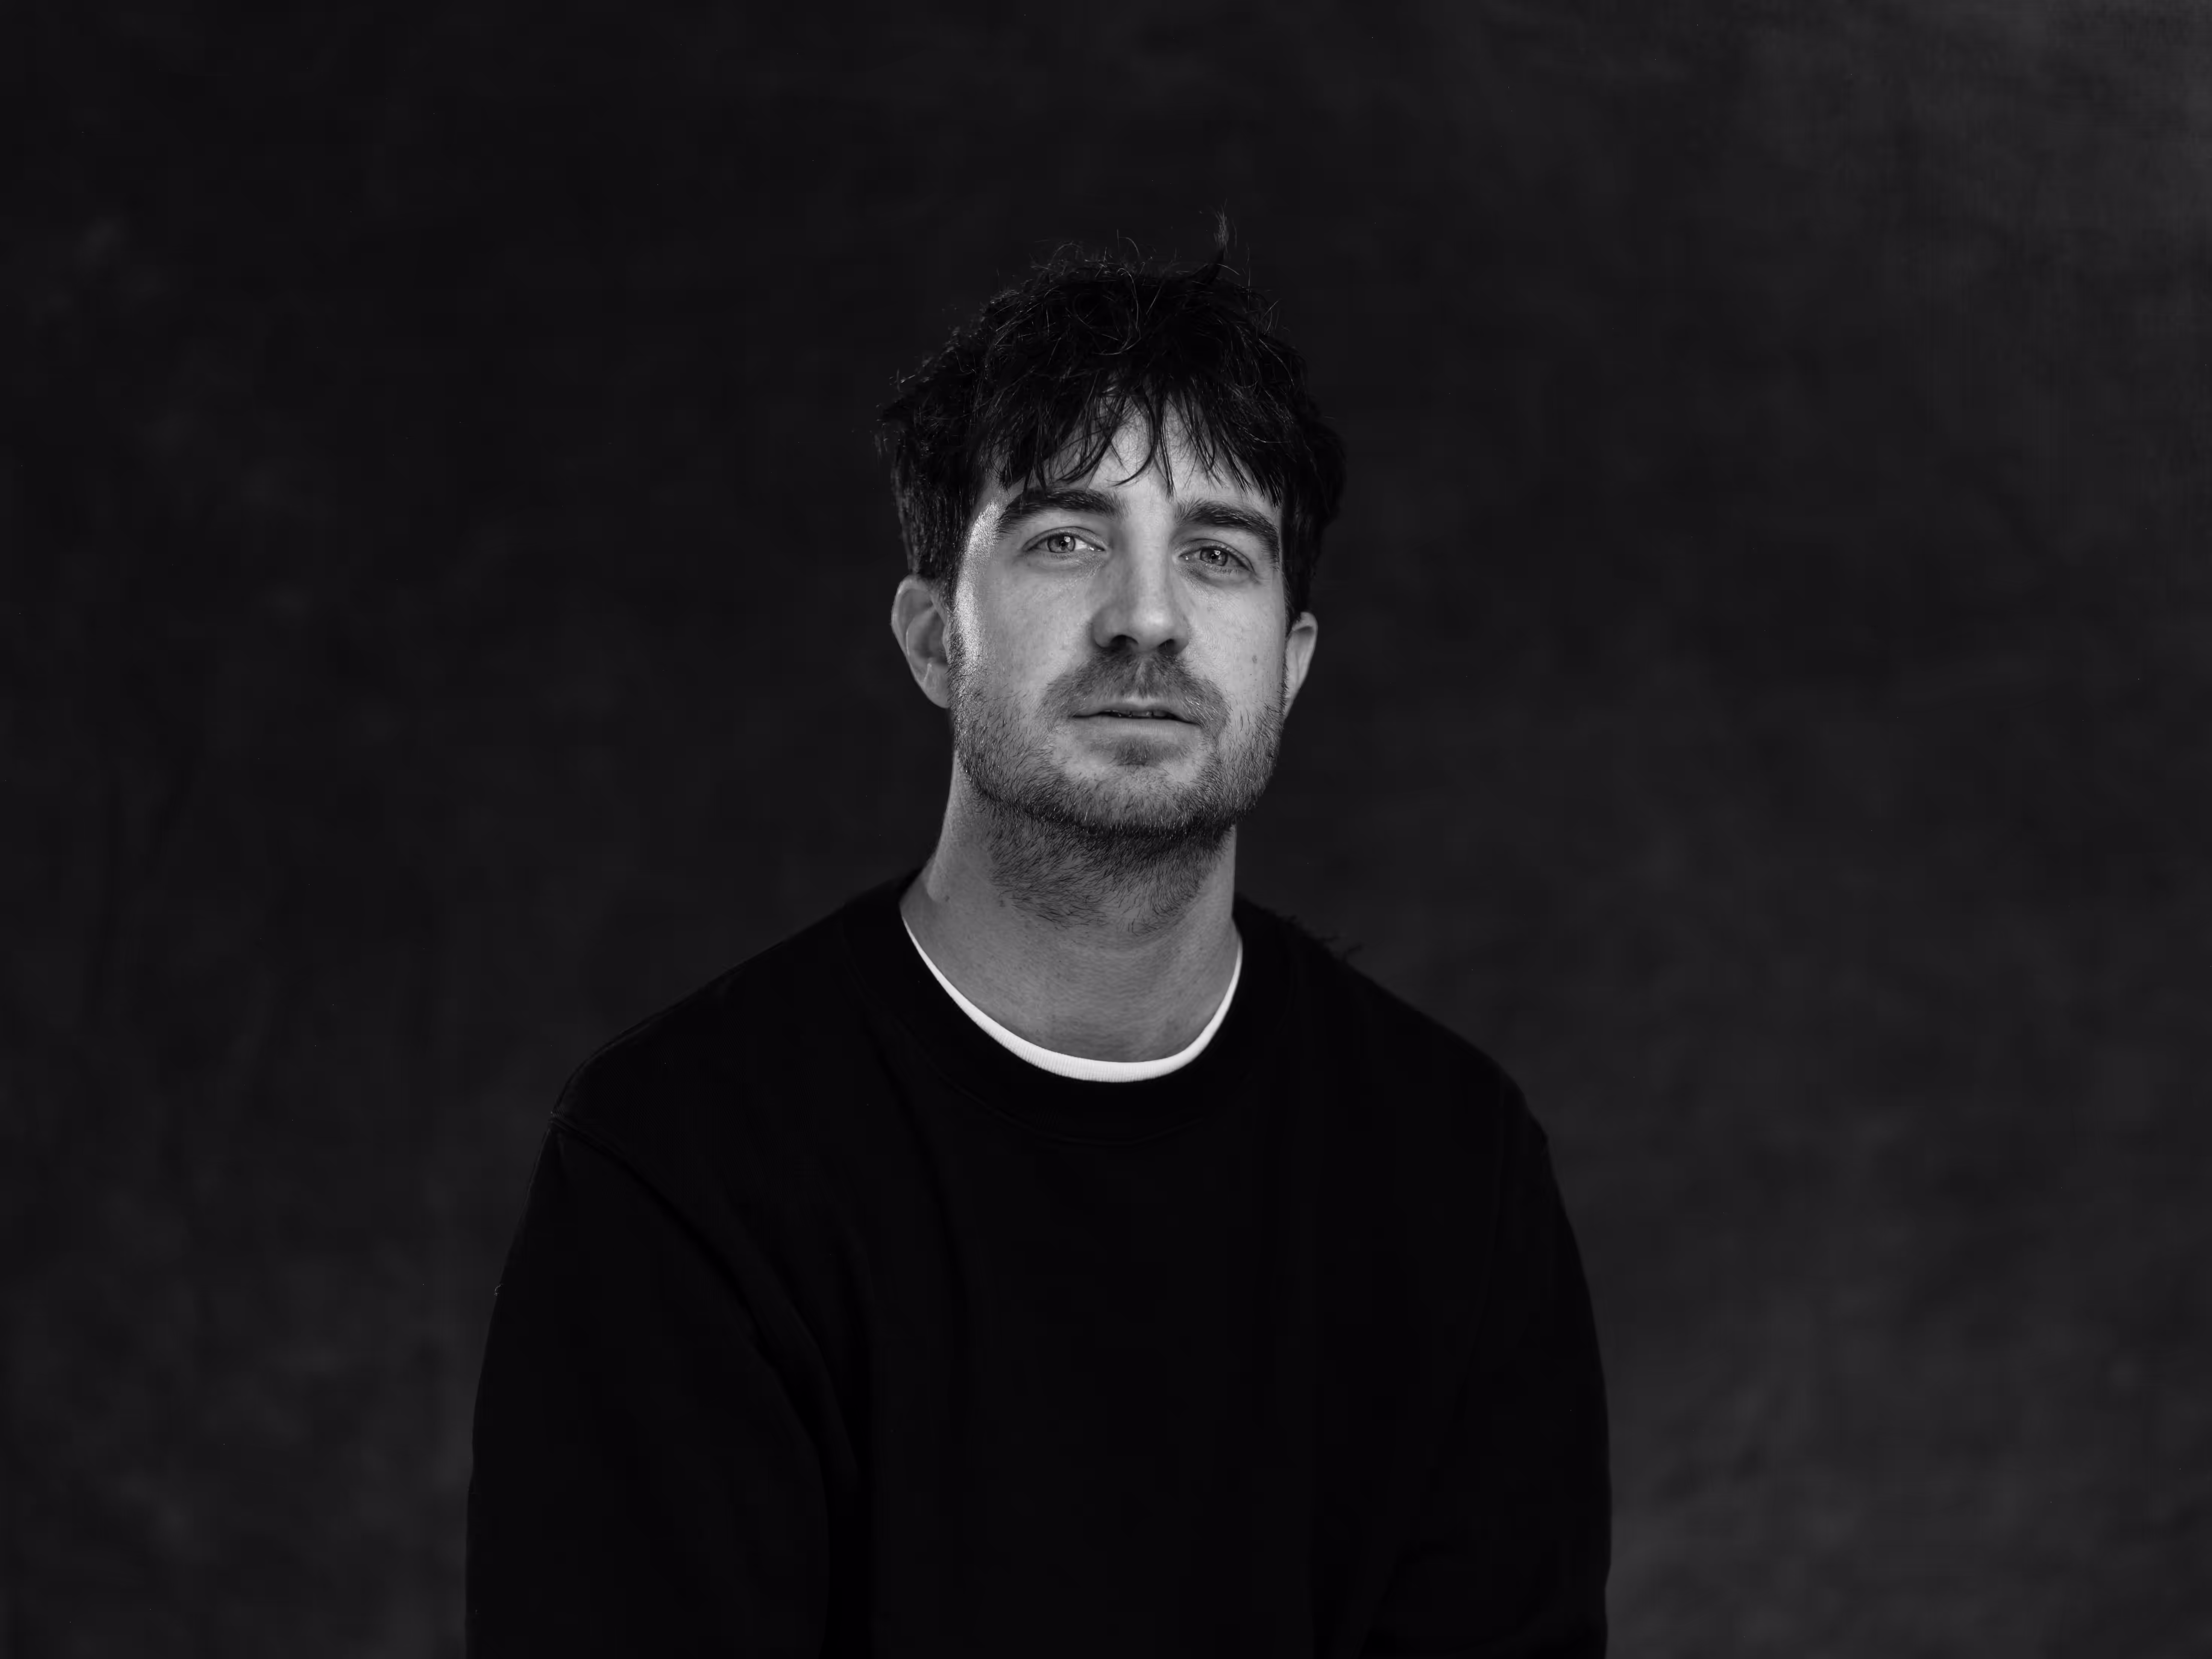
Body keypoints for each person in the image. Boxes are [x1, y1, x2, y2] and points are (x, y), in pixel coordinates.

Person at [465, 241, 1611, 1657]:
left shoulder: (1456, 1171)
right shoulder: (682, 1167)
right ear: (934, 639)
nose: (1149, 617)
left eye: (1218, 553)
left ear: (1292, 662)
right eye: (1066, 538)